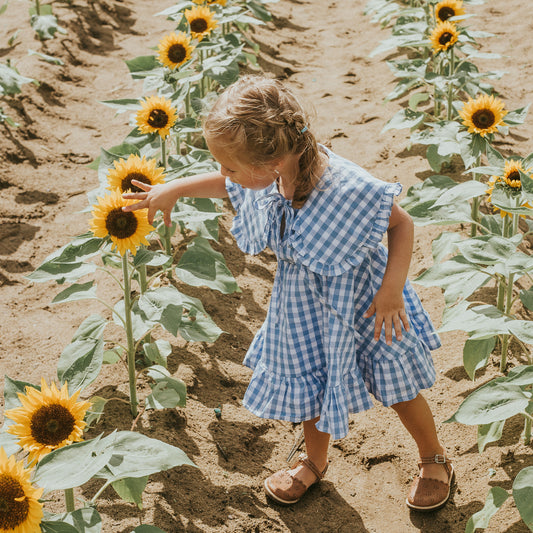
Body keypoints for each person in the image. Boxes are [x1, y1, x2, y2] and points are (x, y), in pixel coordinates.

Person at [122, 75, 454, 511]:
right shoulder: (268, 173)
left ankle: (434, 457)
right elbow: (231, 184)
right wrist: (175, 188)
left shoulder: (347, 186)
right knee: (310, 382)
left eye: (231, 165)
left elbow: (401, 223)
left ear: (272, 162)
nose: (225, 174)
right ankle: (314, 460)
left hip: (367, 301)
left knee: (397, 385)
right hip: (301, 304)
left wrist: (392, 289)